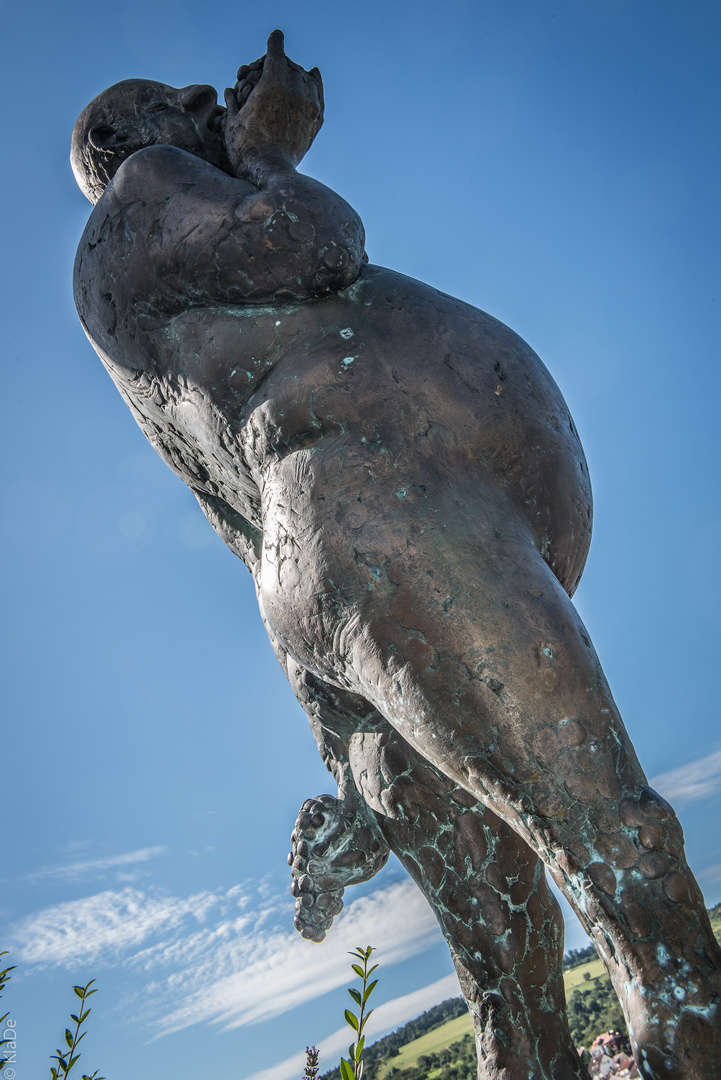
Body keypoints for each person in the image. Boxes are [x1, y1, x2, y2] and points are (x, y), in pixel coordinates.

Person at [72, 31, 720, 1080]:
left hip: (348, 580)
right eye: (168, 100)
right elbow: (314, 241)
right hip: (380, 519)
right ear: (113, 137)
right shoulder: (141, 191)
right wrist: (274, 150)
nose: (201, 98)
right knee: (620, 852)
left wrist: (351, 760)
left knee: (509, 981)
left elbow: (258, 544)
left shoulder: (157, 308)